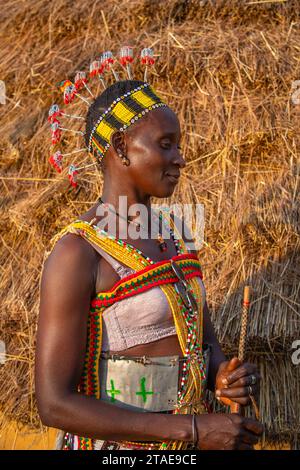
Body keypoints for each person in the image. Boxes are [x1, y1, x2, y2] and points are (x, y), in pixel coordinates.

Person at [35, 56, 262, 450]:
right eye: (165, 144)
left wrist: (222, 376)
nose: (180, 158)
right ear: (121, 147)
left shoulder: (176, 234)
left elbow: (201, 344)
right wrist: (193, 430)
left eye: (179, 144)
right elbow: (54, 404)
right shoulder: (79, 252)